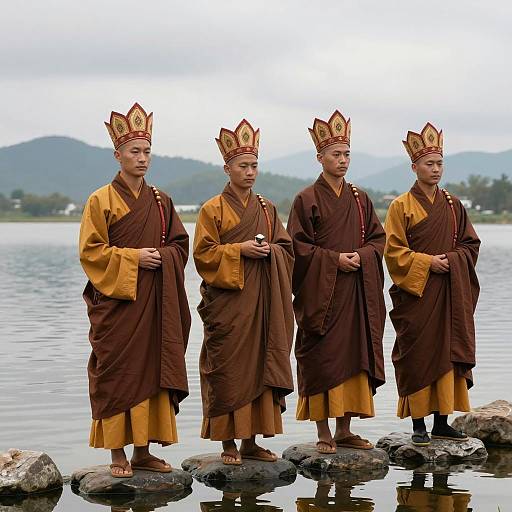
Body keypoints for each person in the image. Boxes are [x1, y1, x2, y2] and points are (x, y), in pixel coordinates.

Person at [79, 102, 190, 477]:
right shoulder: (100, 200)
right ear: (118, 155)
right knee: (115, 373)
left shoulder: (161, 201)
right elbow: (91, 253)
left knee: (151, 371)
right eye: (134, 152)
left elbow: (179, 245)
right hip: (118, 305)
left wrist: (161, 256)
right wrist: (133, 259)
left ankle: (143, 451)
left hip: (154, 303)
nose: (142, 159)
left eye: (146, 152)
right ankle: (117, 454)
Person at [193, 118, 294, 465]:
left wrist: (273, 253)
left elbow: (286, 247)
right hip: (229, 306)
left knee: (259, 366)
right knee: (227, 369)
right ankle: (228, 443)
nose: (250, 172)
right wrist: (240, 251)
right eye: (243, 166)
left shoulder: (267, 208)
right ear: (227, 168)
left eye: (254, 165)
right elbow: (204, 255)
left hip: (263, 304)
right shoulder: (213, 209)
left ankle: (251, 442)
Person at [287, 110, 386, 454]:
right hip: (323, 294)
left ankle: (345, 429)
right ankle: (324, 431)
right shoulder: (306, 199)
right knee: (323, 356)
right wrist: (333, 260)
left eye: (346, 154)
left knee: (354, 355)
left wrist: (364, 255)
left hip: (355, 291)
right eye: (335, 155)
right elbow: (297, 248)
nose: (342, 161)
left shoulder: (361, 199)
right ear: (320, 158)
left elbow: (378, 239)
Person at [384, 122, 480, 446]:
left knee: (447, 354)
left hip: (450, 293)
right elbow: (394, 253)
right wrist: (427, 262)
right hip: (418, 294)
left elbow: (470, 245)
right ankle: (418, 424)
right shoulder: (401, 206)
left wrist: (452, 261)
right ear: (414, 167)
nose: (436, 169)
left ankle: (442, 421)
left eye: (440, 163)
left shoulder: (453, 206)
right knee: (417, 354)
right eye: (429, 163)